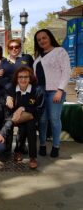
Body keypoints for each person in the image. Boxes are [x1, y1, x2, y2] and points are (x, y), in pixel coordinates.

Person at [33, 29, 71, 158]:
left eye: (44, 38)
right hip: (40, 92)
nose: (42, 41)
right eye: (39, 40)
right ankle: (42, 144)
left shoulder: (60, 52)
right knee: (42, 120)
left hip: (55, 91)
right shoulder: (38, 57)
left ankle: (56, 146)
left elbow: (66, 71)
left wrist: (60, 90)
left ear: (50, 38)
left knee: (54, 119)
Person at [7, 66, 44, 169]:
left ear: (30, 78)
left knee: (30, 126)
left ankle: (32, 157)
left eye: (26, 77)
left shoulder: (37, 90)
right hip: (15, 117)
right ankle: (18, 151)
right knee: (22, 127)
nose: (23, 79)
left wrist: (23, 108)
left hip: (31, 116)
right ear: (16, 78)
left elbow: (39, 109)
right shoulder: (12, 89)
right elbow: (8, 104)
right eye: (20, 77)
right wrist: (8, 98)